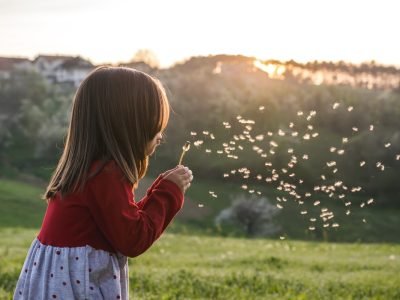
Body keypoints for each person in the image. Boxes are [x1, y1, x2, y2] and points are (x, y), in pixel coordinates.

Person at [13, 66, 193, 299]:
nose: (160, 135)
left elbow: (122, 223)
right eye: (155, 125)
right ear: (129, 124)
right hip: (76, 288)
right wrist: (168, 192)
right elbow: (133, 239)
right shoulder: (106, 175)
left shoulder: (88, 170)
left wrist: (159, 188)